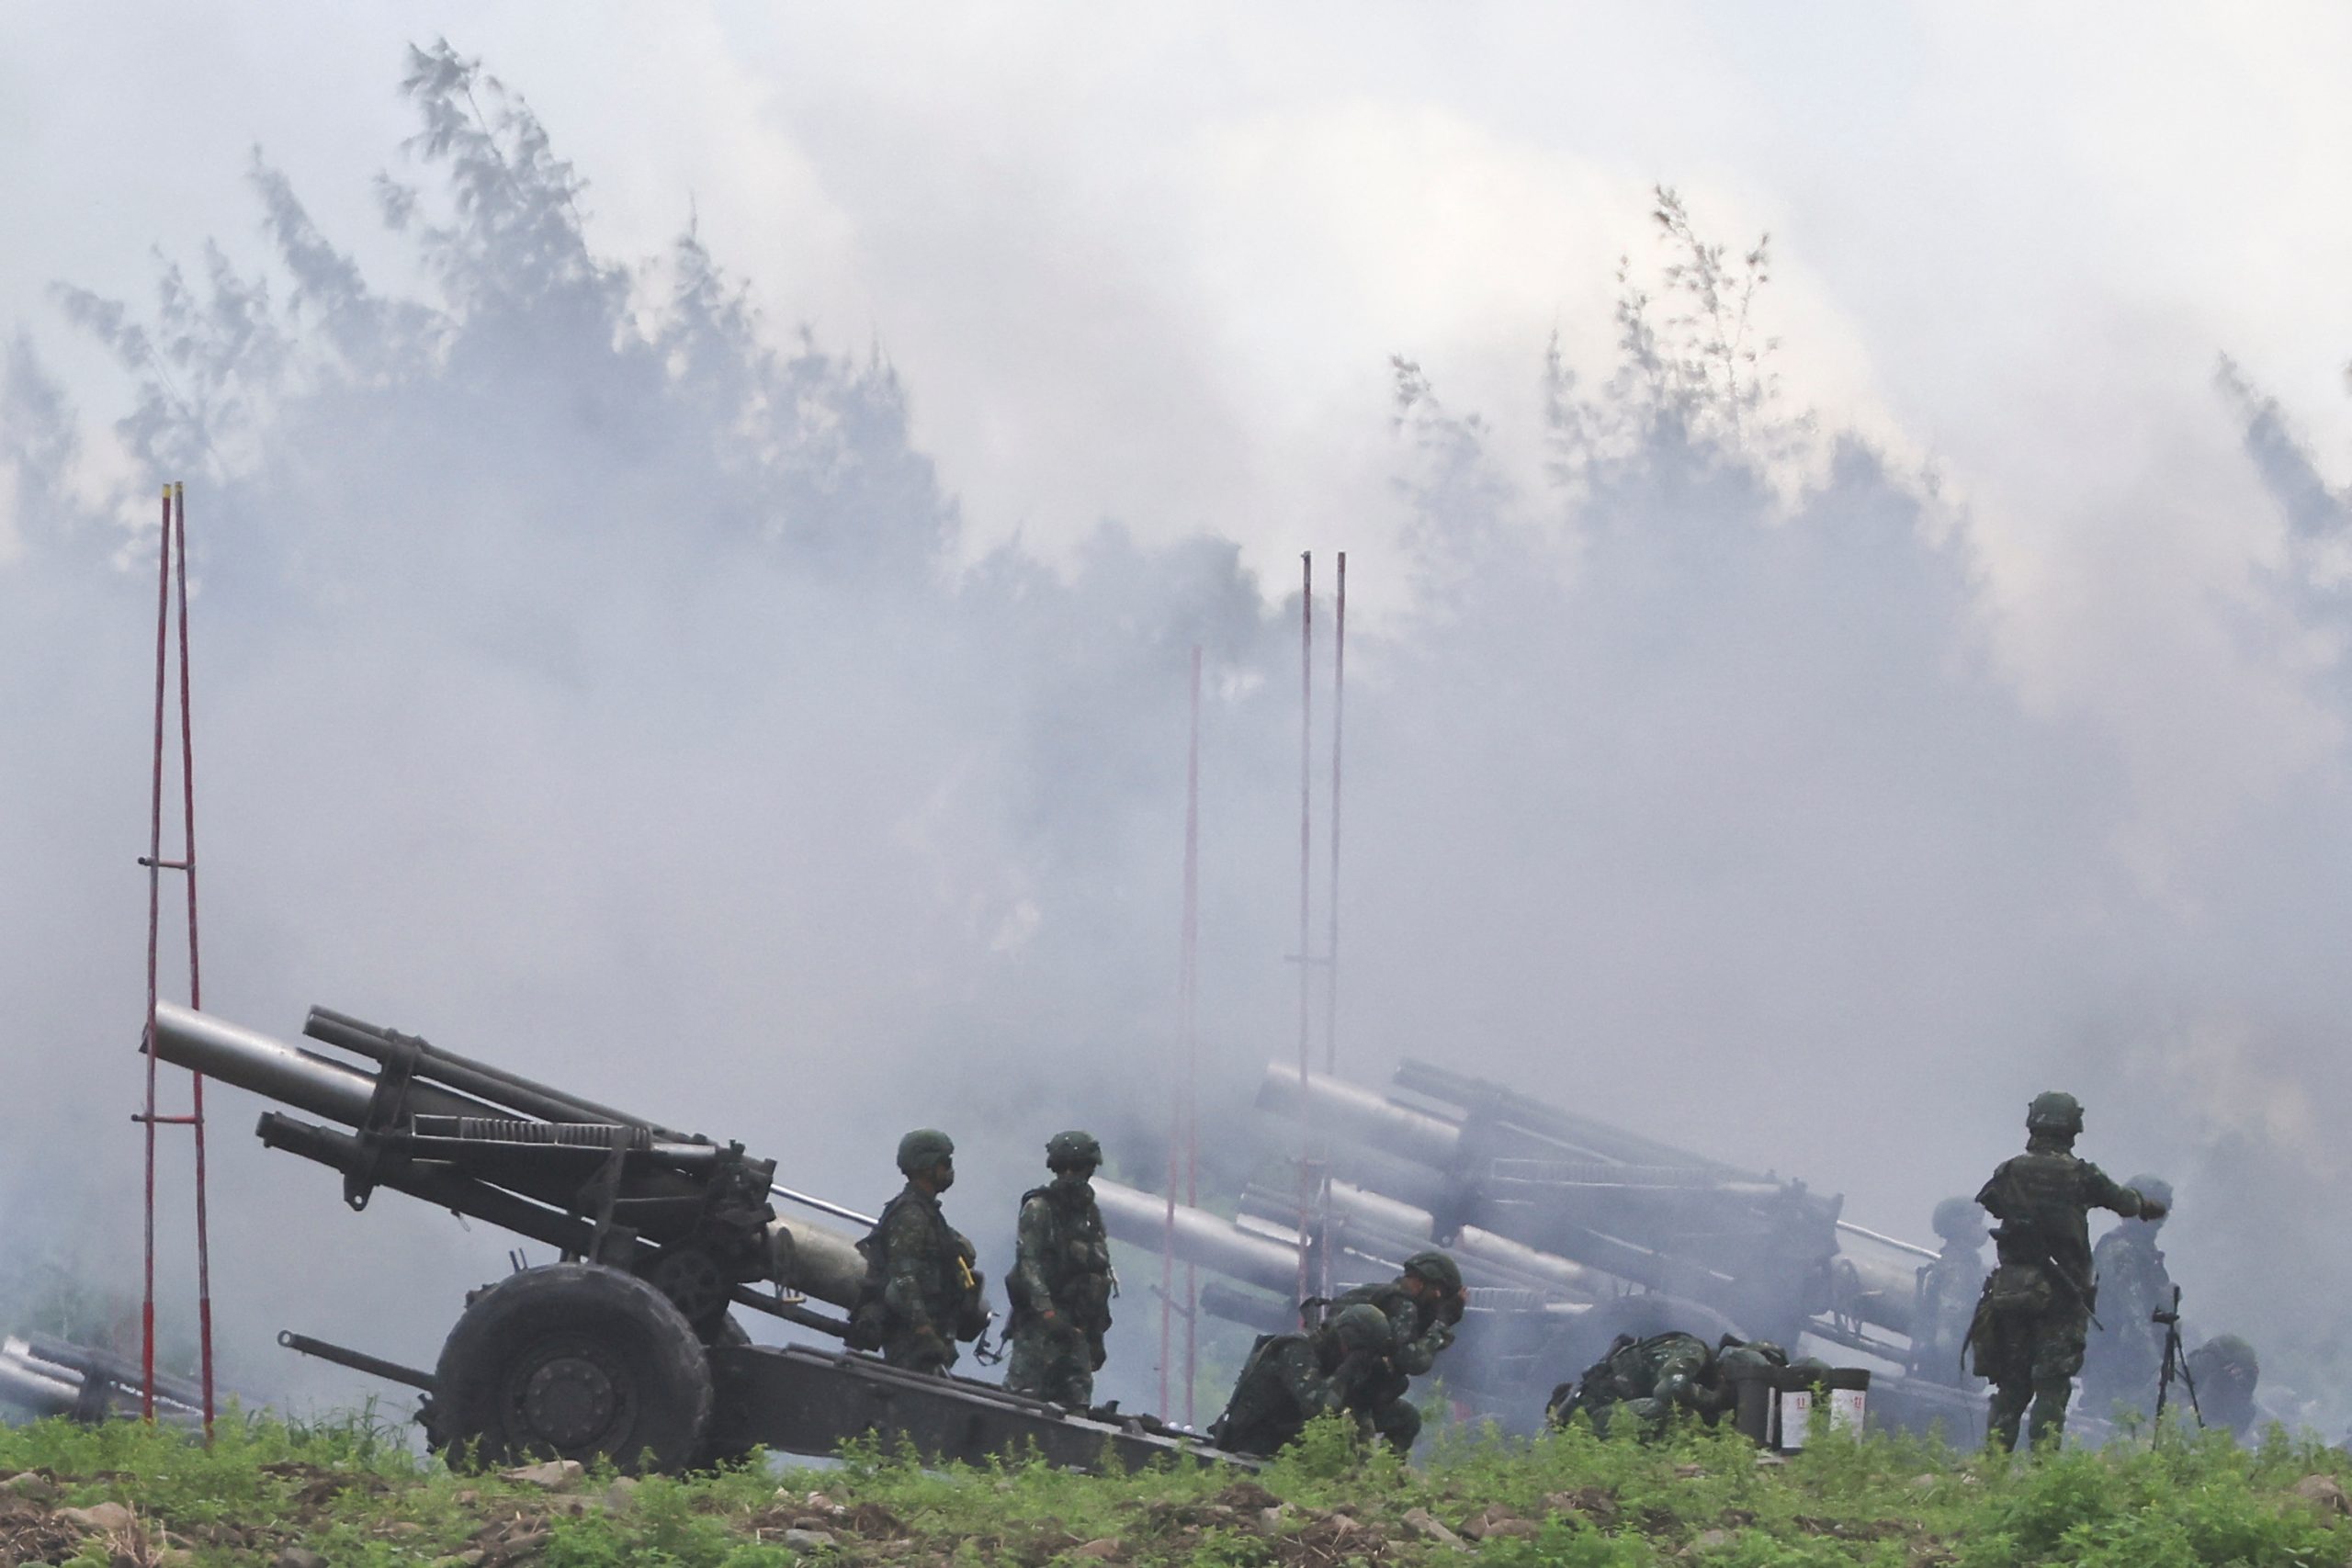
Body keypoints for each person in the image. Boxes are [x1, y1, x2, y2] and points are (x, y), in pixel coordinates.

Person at [1969, 1091, 2166, 1451]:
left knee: (2011, 1384)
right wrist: (2144, 1204)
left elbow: (1992, 1203)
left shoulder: (2010, 1170)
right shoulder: (2082, 1176)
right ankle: (2043, 1468)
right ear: (2073, 1128)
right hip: (2061, 1295)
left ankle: (1991, 1465)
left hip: (2011, 1292)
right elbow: (2125, 1202)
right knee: (2051, 1383)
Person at [851, 1128, 989, 1374]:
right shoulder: (911, 1214)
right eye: (945, 1163)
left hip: (932, 1332)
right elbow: (904, 1279)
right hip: (912, 1337)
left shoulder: (928, 1213)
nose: (949, 1170)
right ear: (927, 1167)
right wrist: (924, 1331)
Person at [1003, 1130, 1114, 1407]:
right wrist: (1048, 1314)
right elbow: (1028, 1263)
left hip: (1078, 1328)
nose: (1071, 1175)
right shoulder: (1039, 1209)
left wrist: (1095, 1335)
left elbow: (1099, 1274)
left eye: (1079, 1168)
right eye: (1064, 1168)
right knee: (1022, 1402)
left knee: (1076, 1408)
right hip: (1040, 1327)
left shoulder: (1090, 1214)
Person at [1209, 1303, 1396, 1457]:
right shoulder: (1297, 1349)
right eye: (1362, 1352)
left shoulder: (1329, 1361)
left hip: (1280, 1452)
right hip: (1248, 1447)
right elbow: (1319, 1409)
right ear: (1350, 1340)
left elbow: (1358, 1417)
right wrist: (1347, 1370)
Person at [1329, 1249, 1464, 1453]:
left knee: (1407, 1420)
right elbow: (1413, 1361)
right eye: (1437, 1290)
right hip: (1342, 1393)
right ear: (1420, 1282)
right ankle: (1371, 1478)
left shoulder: (1389, 1297)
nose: (1438, 1297)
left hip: (1349, 1390)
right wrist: (1442, 1323)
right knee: (1356, 1463)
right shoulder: (1403, 1306)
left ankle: (1388, 1474)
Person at [1547, 1331, 1787, 1437]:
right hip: (1588, 1416)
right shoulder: (1693, 1350)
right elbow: (1669, 1390)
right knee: (1665, 1410)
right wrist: (1716, 1398)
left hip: (1605, 1413)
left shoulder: (1700, 1373)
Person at [2079, 1174, 2175, 1424]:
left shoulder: (2145, 1252)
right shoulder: (2121, 1250)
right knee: (2110, 1423)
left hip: (2133, 1357)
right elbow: (2133, 1311)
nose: (2161, 1219)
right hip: (2115, 1358)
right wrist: (2154, 1364)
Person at [1907, 1197, 1992, 1389]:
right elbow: (1948, 1332)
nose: (1982, 1228)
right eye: (1975, 1222)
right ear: (1959, 1226)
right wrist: (1966, 1373)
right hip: (1947, 1374)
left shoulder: (1962, 1264)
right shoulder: (1958, 1269)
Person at [2184, 1334, 2260, 1440]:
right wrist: (2212, 1390)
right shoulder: (2180, 1380)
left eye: (2242, 1371)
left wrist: (2245, 1394)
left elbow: (2230, 1437)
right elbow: (2180, 1423)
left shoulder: (2247, 1406)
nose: (2236, 1374)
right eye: (2232, 1369)